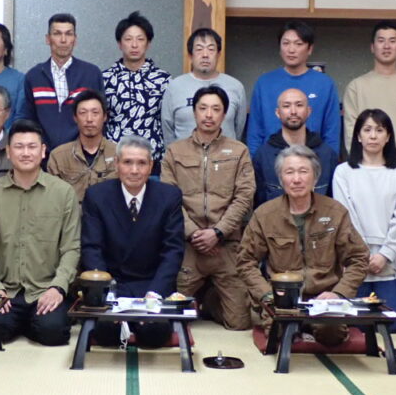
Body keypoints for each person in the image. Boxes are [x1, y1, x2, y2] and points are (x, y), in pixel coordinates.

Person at [237, 145, 369, 346]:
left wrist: (338, 293)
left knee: (332, 336)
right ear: (281, 179)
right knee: (279, 335)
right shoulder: (264, 215)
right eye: (289, 172)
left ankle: (316, 326)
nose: (296, 179)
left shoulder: (335, 212)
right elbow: (245, 261)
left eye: (303, 171)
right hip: (281, 300)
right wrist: (266, 294)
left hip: (324, 299)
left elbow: (359, 258)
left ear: (315, 177)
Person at [0, 119, 80, 345]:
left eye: (32, 146)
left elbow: (71, 248)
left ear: (43, 151)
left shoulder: (63, 193)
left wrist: (58, 287)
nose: (25, 153)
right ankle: (22, 322)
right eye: (19, 147)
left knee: (54, 333)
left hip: (45, 289)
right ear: (8, 152)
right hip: (5, 290)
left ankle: (32, 321)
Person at [162, 87, 255, 330]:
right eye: (203, 108)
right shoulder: (175, 151)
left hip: (226, 245)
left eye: (216, 109)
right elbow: (168, 200)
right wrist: (194, 234)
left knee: (239, 324)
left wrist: (218, 233)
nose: (209, 115)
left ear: (225, 115)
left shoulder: (238, 151)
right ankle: (197, 295)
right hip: (188, 246)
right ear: (194, 112)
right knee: (170, 319)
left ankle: (211, 300)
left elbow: (245, 196)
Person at [81, 135, 185, 347]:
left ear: (151, 166)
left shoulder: (169, 196)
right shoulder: (97, 196)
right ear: (117, 164)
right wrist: (107, 293)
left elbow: (173, 250)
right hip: (113, 284)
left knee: (154, 334)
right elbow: (92, 248)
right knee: (107, 333)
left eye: (141, 163)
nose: (134, 170)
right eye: (128, 162)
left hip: (152, 284)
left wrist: (155, 293)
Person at [332, 108, 396, 330]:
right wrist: (364, 254)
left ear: (388, 137)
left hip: (391, 258)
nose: (373, 136)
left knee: (395, 324)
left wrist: (385, 255)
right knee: (355, 325)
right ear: (358, 136)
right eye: (367, 130)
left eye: (379, 130)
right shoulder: (343, 172)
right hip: (356, 257)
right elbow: (345, 215)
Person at [342, 20, 396, 169]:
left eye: (392, 41)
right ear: (372, 47)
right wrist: (369, 164)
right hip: (365, 170)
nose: (386, 46)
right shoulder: (356, 87)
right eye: (381, 41)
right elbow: (351, 131)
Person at [247, 19, 341, 154]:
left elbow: (331, 133)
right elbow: (255, 133)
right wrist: (257, 165)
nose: (291, 49)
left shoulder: (325, 84)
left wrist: (328, 165)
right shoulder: (264, 82)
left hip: (313, 163)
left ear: (310, 49)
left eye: (298, 44)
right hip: (271, 162)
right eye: (286, 43)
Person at [23, 13, 103, 150]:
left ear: (75, 39)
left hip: (82, 154)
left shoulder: (91, 73)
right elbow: (28, 119)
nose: (63, 40)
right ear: (48, 39)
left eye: (69, 34)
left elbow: (102, 117)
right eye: (57, 34)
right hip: (44, 156)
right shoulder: (34, 76)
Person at [102, 11, 172, 168]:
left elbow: (168, 122)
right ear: (119, 43)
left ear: (148, 44)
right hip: (114, 158)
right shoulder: (105, 78)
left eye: (140, 39)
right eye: (128, 39)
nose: (134, 45)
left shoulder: (163, 80)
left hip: (152, 158)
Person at [161, 27, 247, 145]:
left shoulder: (236, 87)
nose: (205, 55)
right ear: (190, 55)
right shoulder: (174, 87)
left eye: (211, 49)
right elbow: (167, 130)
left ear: (219, 54)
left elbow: (238, 130)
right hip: (184, 160)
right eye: (199, 49)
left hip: (224, 159)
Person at [252, 88, 337, 205]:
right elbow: (259, 204)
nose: (293, 111)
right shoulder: (263, 156)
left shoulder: (327, 154)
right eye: (286, 106)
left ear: (309, 111)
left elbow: (332, 202)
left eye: (299, 105)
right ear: (277, 112)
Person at [46, 88, 117, 202]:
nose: (89, 119)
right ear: (75, 118)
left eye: (95, 113)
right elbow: (53, 200)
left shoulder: (119, 154)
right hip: (72, 218)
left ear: (104, 117)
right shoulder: (58, 156)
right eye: (83, 113)